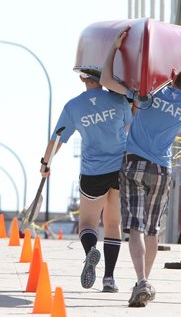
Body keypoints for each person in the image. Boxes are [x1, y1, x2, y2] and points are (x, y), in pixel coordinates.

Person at [100, 28, 181, 307]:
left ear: (172, 77)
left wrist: (115, 48)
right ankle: (144, 283)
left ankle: (141, 280)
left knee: (135, 228)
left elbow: (107, 79)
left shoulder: (149, 96)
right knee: (153, 230)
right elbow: (179, 93)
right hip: (162, 168)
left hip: (134, 163)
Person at [40, 71, 132, 292]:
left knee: (88, 224)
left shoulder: (73, 107)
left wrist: (46, 163)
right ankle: (109, 279)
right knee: (113, 224)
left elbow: (57, 138)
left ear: (81, 78)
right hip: (120, 168)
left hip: (93, 172)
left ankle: (91, 250)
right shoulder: (119, 99)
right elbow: (129, 128)